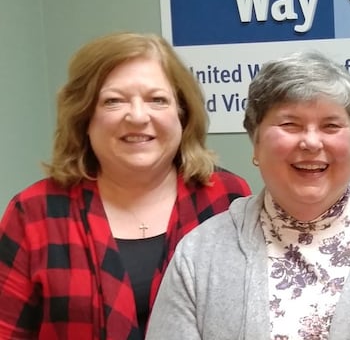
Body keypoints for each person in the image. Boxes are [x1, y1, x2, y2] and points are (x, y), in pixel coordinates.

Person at [146, 51, 350, 340]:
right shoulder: (200, 255)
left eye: (331, 126)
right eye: (290, 124)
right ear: (256, 143)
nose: (312, 142)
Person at [0, 32, 252, 339]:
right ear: (84, 116)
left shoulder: (228, 199)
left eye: (157, 100)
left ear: (182, 114)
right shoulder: (34, 213)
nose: (137, 116)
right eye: (114, 101)